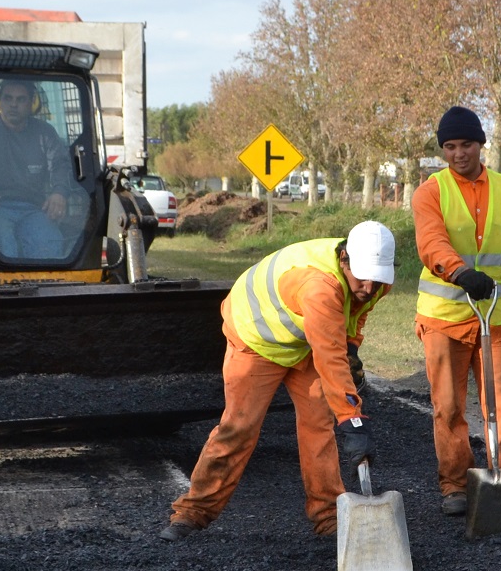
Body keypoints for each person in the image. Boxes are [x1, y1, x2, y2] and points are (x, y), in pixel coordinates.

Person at [162, 221, 396, 540]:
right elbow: (329, 357)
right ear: (345, 259)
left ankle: (329, 517)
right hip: (256, 339)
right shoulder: (319, 286)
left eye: (377, 279)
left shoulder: (374, 281)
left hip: (305, 342)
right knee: (239, 428)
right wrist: (353, 420)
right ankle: (191, 513)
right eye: (363, 277)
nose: (370, 287)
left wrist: (352, 346)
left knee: (318, 426)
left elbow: (356, 314)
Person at [413, 106, 501, 518]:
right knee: (449, 407)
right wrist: (459, 272)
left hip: (498, 319)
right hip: (444, 320)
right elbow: (431, 242)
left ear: (481, 144)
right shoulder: (430, 192)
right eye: (449, 147)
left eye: (466, 144)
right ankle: (454, 484)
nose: (458, 153)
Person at [0, 78, 79, 259]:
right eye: (8, 98)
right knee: (2, 245)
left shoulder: (45, 133)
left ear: (32, 103)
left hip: (33, 209)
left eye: (21, 99)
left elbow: (60, 164)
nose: (13, 105)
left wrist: (60, 192)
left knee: (48, 242)